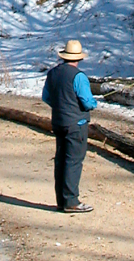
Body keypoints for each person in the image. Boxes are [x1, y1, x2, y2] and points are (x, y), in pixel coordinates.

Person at [42, 40, 97, 213]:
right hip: (76, 124)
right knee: (73, 161)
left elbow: (46, 97)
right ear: (79, 58)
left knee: (61, 161)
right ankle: (71, 201)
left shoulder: (52, 74)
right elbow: (87, 102)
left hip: (58, 122)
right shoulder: (79, 76)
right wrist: (94, 103)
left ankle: (62, 200)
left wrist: (60, 106)